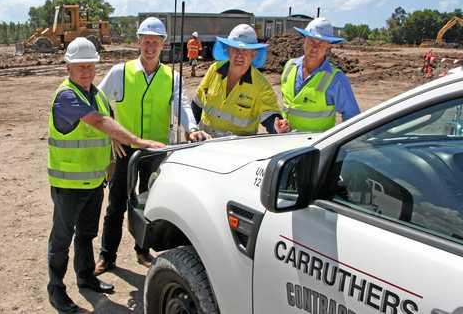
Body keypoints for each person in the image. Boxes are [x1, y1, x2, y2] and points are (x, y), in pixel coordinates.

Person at [46, 37, 165, 313]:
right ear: (68, 68)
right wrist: (136, 140)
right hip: (68, 183)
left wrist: (111, 159)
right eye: (80, 67)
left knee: (87, 233)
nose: (86, 72)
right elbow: (99, 122)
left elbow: (108, 122)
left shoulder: (97, 94)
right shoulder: (66, 96)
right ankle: (56, 289)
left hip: (93, 181)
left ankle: (86, 278)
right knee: (62, 238)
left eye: (90, 66)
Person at [95, 17, 210, 275]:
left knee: (148, 204)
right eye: (146, 41)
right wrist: (112, 132)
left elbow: (181, 105)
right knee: (116, 205)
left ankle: (142, 249)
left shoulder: (172, 76)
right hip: (125, 150)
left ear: (163, 45)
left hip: (156, 151)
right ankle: (107, 256)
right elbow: (99, 102)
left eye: (155, 43)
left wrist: (191, 129)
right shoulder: (120, 72)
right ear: (138, 42)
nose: (150, 47)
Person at [192, 24, 290, 137]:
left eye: (245, 50)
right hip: (206, 143)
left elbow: (270, 116)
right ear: (228, 50)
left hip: (238, 149)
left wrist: (277, 126)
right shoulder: (214, 70)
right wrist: (192, 130)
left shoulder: (261, 85)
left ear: (253, 54)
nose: (239, 55)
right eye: (235, 49)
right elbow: (197, 103)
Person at [280, 17, 360, 132]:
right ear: (304, 40)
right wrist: (281, 124)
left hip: (315, 146)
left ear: (328, 46)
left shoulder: (335, 78)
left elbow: (352, 117)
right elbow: (288, 104)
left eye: (321, 43)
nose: (315, 48)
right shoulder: (290, 66)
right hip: (285, 140)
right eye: (311, 40)